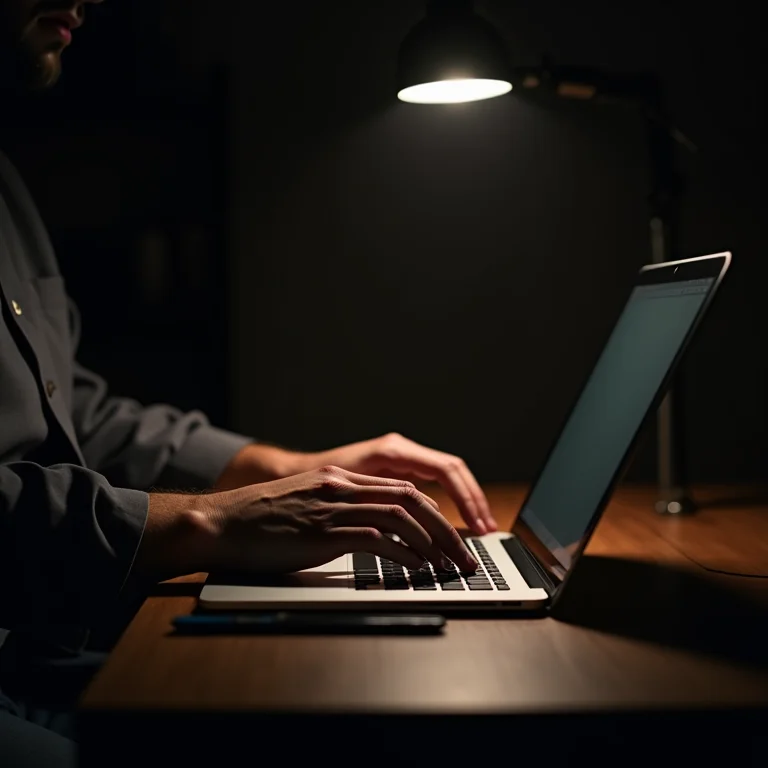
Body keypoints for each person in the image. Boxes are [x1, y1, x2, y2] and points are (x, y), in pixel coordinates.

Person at [0, 1, 497, 764]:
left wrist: (287, 468)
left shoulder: (5, 183)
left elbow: (76, 416)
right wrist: (207, 524)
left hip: (43, 656)